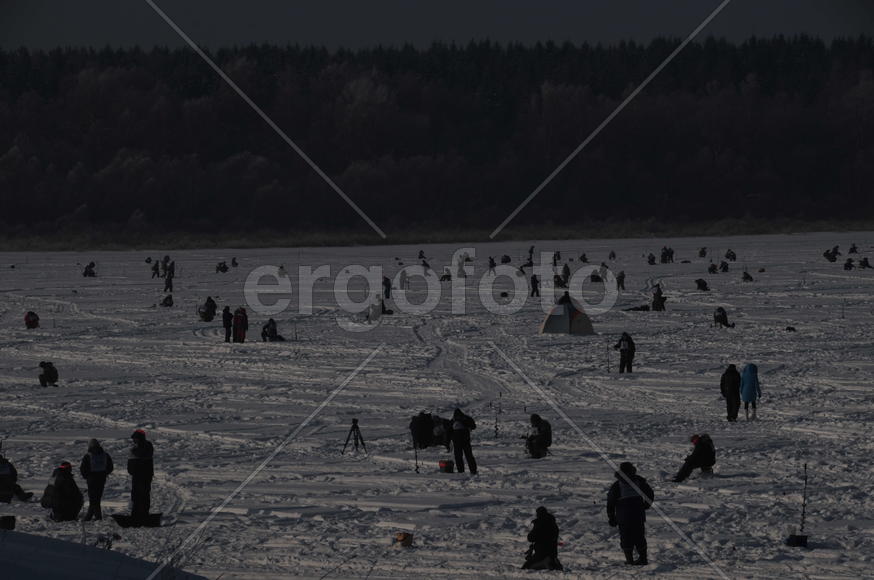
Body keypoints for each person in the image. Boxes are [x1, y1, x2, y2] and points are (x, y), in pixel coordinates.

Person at [607, 462, 653, 566]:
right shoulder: (639, 481)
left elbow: (610, 502)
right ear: (633, 470)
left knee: (626, 537)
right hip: (638, 515)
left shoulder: (617, 485)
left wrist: (611, 517)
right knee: (639, 536)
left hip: (623, 517)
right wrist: (646, 505)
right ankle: (643, 559)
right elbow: (650, 494)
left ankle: (629, 561)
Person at [80, 439, 113, 521]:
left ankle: (95, 516)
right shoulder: (105, 455)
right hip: (101, 478)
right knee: (97, 497)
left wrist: (86, 476)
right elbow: (110, 467)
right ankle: (91, 516)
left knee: (93, 498)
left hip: (91, 479)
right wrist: (105, 473)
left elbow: (83, 468)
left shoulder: (88, 456)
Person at [522, 506, 563, 570]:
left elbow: (531, 538)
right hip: (553, 553)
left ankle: (546, 563)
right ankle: (553, 563)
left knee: (526, 567)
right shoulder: (553, 523)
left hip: (541, 553)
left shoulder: (539, 523)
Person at [128, 430, 154, 522]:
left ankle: (136, 514)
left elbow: (137, 456)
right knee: (144, 495)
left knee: (137, 495)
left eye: (135, 439)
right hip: (145, 475)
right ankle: (144, 513)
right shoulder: (148, 446)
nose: (133, 441)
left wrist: (133, 450)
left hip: (139, 475)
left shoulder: (138, 448)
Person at [451, 408, 477, 474]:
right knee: (467, 456)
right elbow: (473, 426)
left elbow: (473, 426)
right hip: (463, 440)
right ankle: (471, 471)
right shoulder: (464, 418)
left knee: (460, 457)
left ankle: (462, 471)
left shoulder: (454, 420)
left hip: (459, 440)